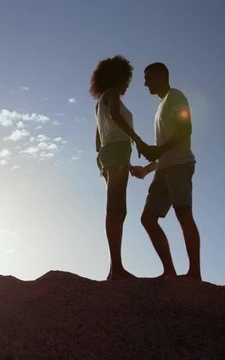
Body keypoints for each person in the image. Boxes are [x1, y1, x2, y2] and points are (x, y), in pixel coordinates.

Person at [132, 62, 202, 281]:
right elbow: (161, 150)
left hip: (180, 165)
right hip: (163, 169)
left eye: (148, 78)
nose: (145, 83)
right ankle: (169, 272)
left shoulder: (176, 96)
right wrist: (147, 168)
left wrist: (157, 151)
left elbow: (186, 128)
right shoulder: (161, 105)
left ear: (162, 76)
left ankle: (194, 273)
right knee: (148, 218)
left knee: (183, 214)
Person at [90, 55, 146, 281]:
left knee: (116, 209)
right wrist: (137, 139)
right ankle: (117, 269)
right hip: (117, 152)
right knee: (117, 210)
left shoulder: (98, 103)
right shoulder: (112, 94)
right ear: (119, 77)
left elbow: (97, 142)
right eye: (126, 80)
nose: (127, 85)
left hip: (109, 155)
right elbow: (114, 115)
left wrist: (123, 160)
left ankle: (115, 269)